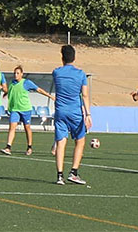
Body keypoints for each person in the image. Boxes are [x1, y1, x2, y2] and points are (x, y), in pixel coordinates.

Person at [52, 45, 92, 185]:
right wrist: (88, 114)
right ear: (74, 58)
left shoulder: (56, 72)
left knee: (61, 142)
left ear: (62, 58)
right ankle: (73, 172)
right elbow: (85, 95)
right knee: (80, 141)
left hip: (60, 111)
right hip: (75, 112)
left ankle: (59, 176)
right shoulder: (81, 74)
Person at [0, 66, 55, 156]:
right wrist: (5, 93)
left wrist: (50, 96)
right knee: (12, 127)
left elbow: (39, 90)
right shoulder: (12, 83)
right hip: (15, 109)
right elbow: (10, 91)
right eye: (14, 73)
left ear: (22, 74)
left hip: (25, 109)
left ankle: (29, 147)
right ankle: (8, 147)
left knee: (27, 128)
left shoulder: (26, 83)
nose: (15, 75)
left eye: (18, 73)